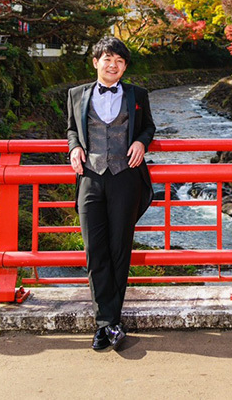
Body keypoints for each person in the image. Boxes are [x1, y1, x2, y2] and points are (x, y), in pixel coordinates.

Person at [67, 37, 156, 351]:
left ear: (125, 66)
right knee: (95, 250)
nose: (113, 65)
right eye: (107, 59)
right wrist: (74, 147)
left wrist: (141, 142)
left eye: (119, 61)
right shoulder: (76, 94)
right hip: (90, 177)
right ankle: (109, 322)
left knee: (120, 249)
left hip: (125, 177)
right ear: (96, 62)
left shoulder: (137, 94)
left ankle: (106, 324)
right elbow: (72, 129)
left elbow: (148, 127)